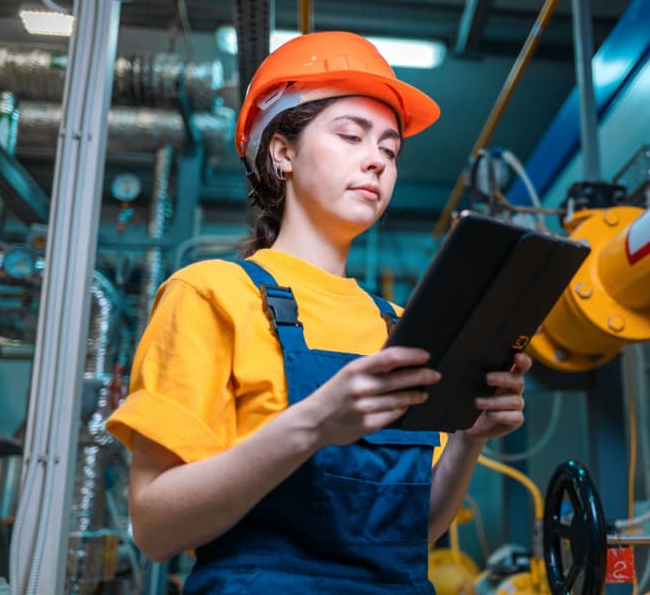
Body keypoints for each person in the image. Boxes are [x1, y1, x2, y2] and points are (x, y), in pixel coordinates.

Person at [106, 31, 530, 593]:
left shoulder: (404, 324)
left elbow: (415, 535)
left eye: (390, 149)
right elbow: (156, 529)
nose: (376, 160)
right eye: (351, 136)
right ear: (282, 152)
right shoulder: (213, 293)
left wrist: (470, 439)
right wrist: (311, 424)